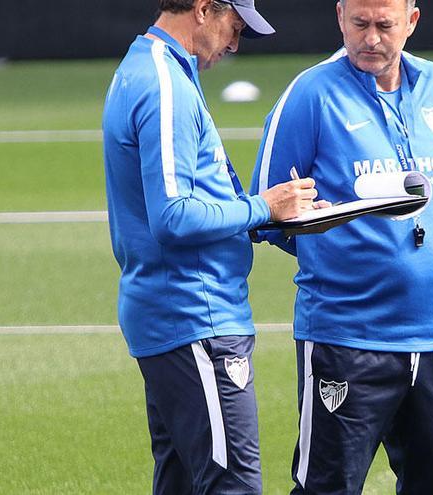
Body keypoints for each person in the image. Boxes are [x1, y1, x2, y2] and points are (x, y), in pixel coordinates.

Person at [102, 1, 323, 493]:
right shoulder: (164, 84)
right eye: (235, 27)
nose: (234, 44)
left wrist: (264, 219)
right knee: (233, 487)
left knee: (184, 483)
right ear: (204, 9)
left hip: (175, 318)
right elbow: (174, 216)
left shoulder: (151, 68)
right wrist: (263, 209)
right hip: (194, 319)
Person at [249, 0, 433, 493]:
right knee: (327, 487)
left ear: (411, 22)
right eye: (359, 24)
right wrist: (336, 247)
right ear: (339, 18)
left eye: (384, 25)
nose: (370, 38)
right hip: (345, 339)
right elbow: (266, 213)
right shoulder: (310, 94)